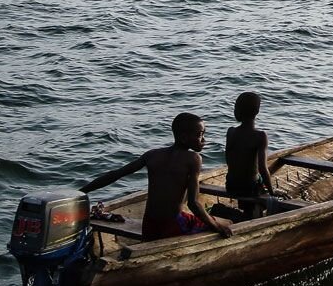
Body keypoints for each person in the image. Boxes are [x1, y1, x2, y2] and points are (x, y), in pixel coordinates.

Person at [81, 112, 233, 240]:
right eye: (200, 135)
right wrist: (218, 228)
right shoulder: (193, 159)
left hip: (149, 226)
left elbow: (115, 174)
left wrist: (82, 191)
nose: (204, 140)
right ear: (184, 138)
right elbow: (193, 203)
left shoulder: (152, 155)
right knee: (228, 222)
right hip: (172, 225)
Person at [221, 91, 275, 220]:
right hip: (249, 188)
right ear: (257, 112)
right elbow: (262, 168)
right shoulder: (260, 136)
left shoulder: (231, 132)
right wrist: (272, 192)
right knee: (260, 182)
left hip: (231, 185)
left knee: (254, 181)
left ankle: (247, 212)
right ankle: (255, 215)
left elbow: (229, 160)